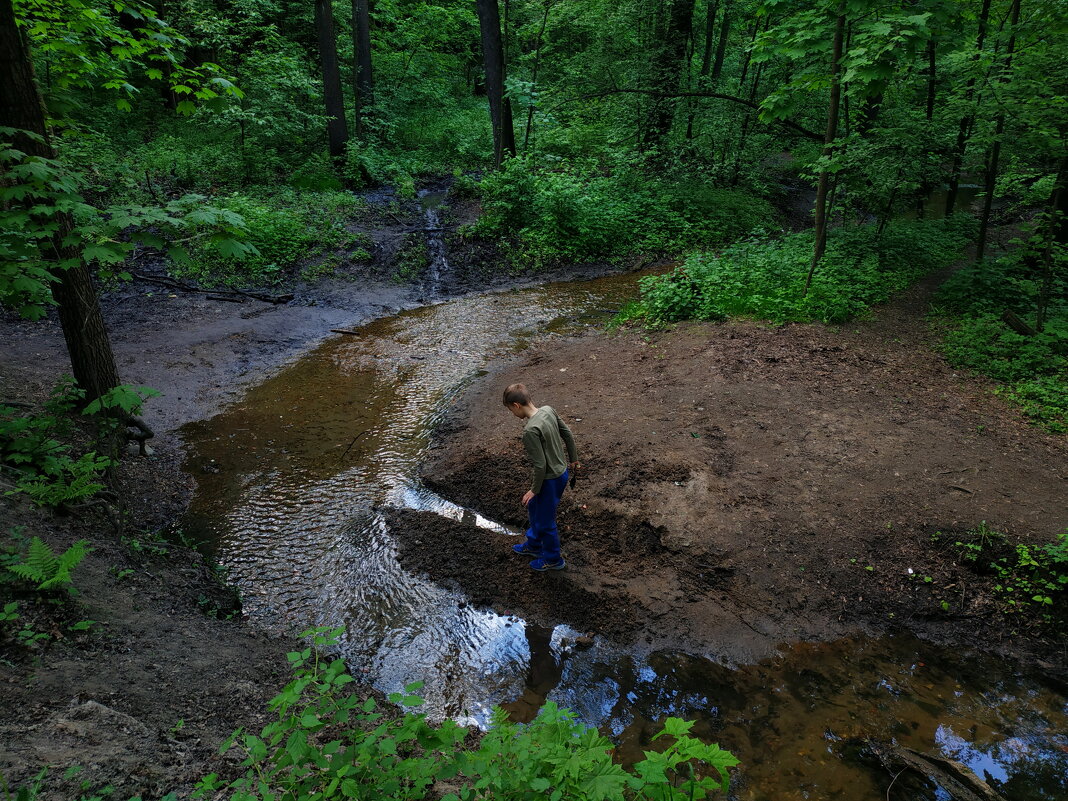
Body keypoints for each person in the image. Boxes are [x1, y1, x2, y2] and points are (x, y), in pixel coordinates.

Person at [502, 383, 578, 571]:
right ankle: (534, 544)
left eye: (511, 410)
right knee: (535, 507)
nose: (513, 415)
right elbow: (567, 434)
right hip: (562, 473)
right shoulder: (548, 410)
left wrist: (533, 490)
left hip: (549, 479)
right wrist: (574, 459)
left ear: (516, 405)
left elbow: (540, 465)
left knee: (545, 521)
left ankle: (553, 559)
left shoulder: (530, 431)